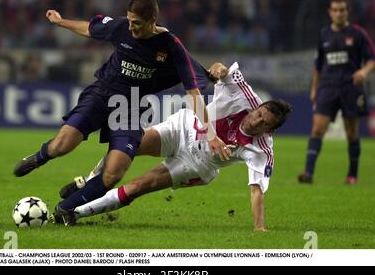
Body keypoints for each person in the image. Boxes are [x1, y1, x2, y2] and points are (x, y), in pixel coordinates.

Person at [13, 0, 229, 212]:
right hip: (102, 93)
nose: (131, 27)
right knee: (62, 146)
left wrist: (211, 134)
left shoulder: (170, 45)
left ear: (153, 20)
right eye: (129, 20)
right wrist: (60, 22)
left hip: (131, 107)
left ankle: (65, 210)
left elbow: (194, 91)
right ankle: (40, 157)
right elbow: (90, 29)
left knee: (113, 173)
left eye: (137, 23)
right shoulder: (121, 27)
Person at [52, 62, 292, 231]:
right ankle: (87, 183)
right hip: (182, 128)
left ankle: (75, 213)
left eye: (264, 123)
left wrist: (259, 228)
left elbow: (256, 191)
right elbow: (222, 70)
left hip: (196, 165)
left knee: (137, 187)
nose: (256, 120)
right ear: (258, 107)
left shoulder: (262, 150)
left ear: (269, 130)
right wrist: (219, 69)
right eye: (259, 114)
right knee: (127, 145)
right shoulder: (245, 96)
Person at [298, 0, 375, 184]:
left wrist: (364, 71)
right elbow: (318, 65)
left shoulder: (358, 34)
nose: (339, 13)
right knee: (317, 129)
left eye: (342, 10)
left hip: (351, 88)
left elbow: (372, 59)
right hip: (327, 87)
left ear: (347, 12)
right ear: (330, 12)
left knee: (352, 132)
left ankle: (352, 175)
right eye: (335, 10)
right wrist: (314, 88)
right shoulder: (324, 34)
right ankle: (308, 173)